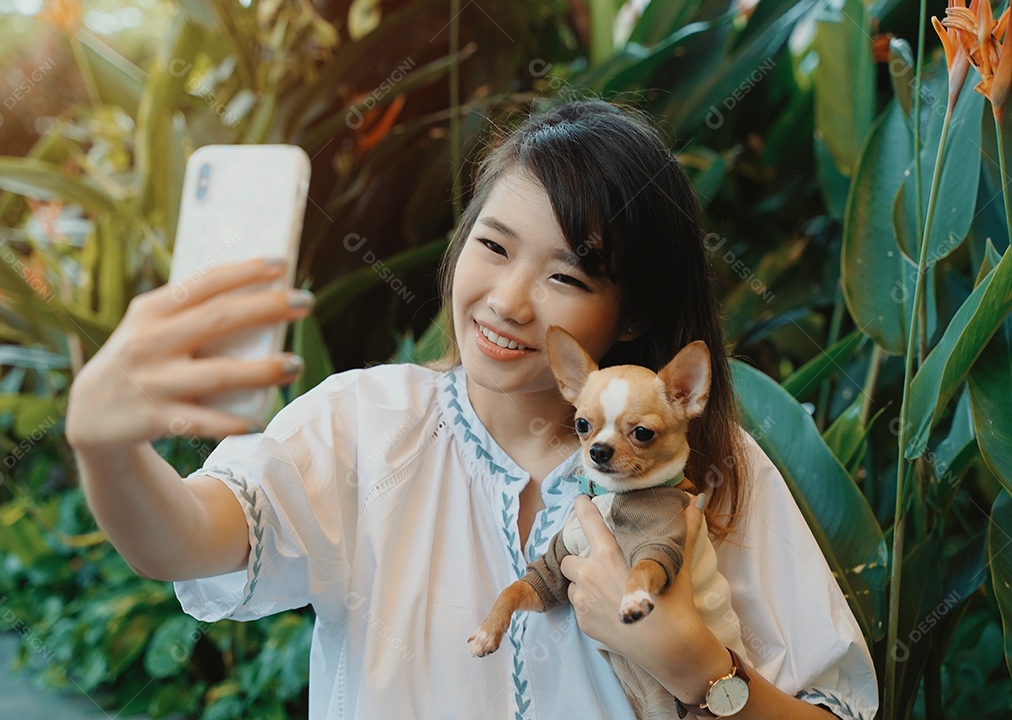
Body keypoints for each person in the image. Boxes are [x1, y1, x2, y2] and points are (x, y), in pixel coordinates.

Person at [66, 100, 878, 720]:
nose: (509, 302)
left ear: (629, 315)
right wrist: (105, 448)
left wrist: (702, 670)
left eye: (568, 276)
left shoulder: (715, 470)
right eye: (492, 247)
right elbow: (186, 539)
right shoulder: (364, 425)